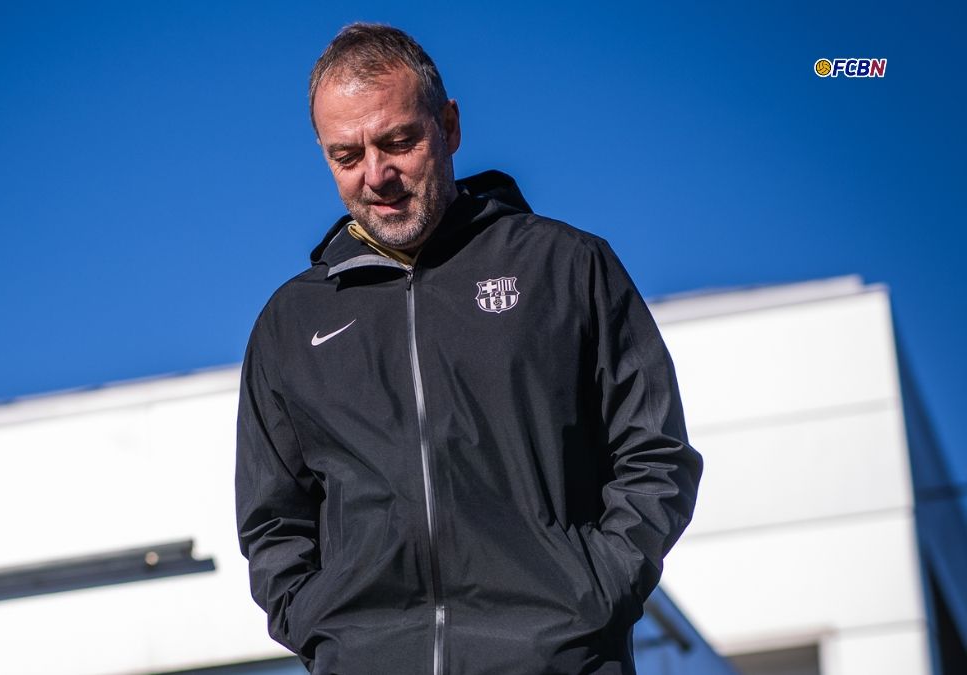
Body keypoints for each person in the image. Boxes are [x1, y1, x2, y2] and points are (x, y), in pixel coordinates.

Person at [235, 23, 702, 675]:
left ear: (448, 126)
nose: (378, 175)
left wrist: (593, 591)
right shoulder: (290, 324)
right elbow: (273, 522)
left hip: (555, 658)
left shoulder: (564, 268)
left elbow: (654, 453)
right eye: (348, 155)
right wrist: (329, 633)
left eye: (399, 141)